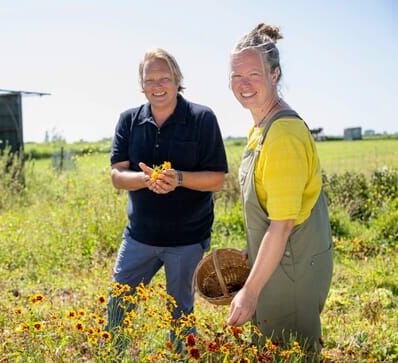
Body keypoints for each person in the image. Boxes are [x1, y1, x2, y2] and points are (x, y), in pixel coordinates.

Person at [107, 48, 228, 349]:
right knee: (118, 305)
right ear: (142, 84)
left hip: (187, 240)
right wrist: (146, 179)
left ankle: (181, 357)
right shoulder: (129, 120)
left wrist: (180, 179)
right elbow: (117, 176)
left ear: (177, 80)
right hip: (139, 237)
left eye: (165, 78)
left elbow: (217, 179)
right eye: (150, 80)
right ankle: (116, 354)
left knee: (181, 314)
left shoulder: (202, 118)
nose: (157, 86)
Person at [226, 23, 333, 355]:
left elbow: (284, 223)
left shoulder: (283, 134)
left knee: (290, 352)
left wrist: (250, 291)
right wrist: (253, 248)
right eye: (235, 75)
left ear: (274, 75)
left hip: (292, 271)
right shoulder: (260, 128)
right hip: (277, 262)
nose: (243, 84)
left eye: (253, 74)